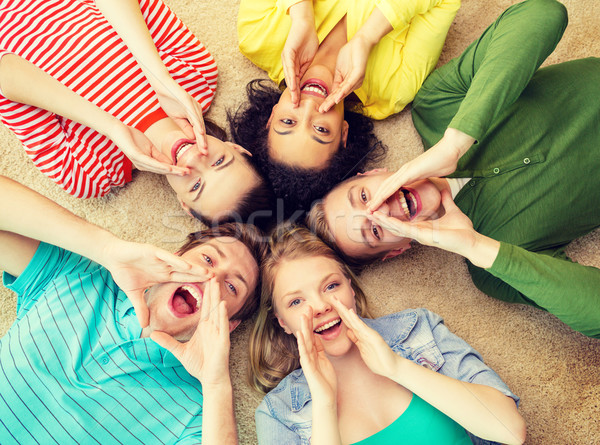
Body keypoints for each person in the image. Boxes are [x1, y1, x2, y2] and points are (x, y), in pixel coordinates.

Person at [307, 0, 600, 338]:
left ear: (373, 173)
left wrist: (455, 142)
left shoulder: (435, 105)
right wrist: (475, 246)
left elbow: (544, 14)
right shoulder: (491, 268)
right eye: (374, 231)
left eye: (363, 197)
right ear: (397, 250)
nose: (382, 209)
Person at [0, 175, 266, 443]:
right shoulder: (77, 274)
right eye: (207, 259)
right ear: (176, 257)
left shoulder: (194, 415)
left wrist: (216, 383)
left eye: (232, 287)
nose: (212, 278)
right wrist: (107, 248)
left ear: (230, 323)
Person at [0, 0, 272, 224]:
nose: (192, 161)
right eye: (218, 162)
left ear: (185, 206)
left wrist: (110, 127)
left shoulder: (91, 175)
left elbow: (5, 74)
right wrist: (159, 77)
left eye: (196, 186)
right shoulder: (197, 76)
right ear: (237, 149)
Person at [249, 225, 525, 444]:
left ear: (351, 290)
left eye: (331, 286)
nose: (321, 306)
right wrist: (324, 404)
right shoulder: (278, 413)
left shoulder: (418, 329)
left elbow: (511, 430)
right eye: (296, 302)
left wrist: (396, 367)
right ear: (282, 322)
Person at [230, 0, 460, 212]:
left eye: (288, 121)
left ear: (271, 117)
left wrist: (302, 17)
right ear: (344, 133)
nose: (310, 106)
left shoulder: (256, 36)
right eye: (321, 130)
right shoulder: (394, 88)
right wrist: (368, 36)